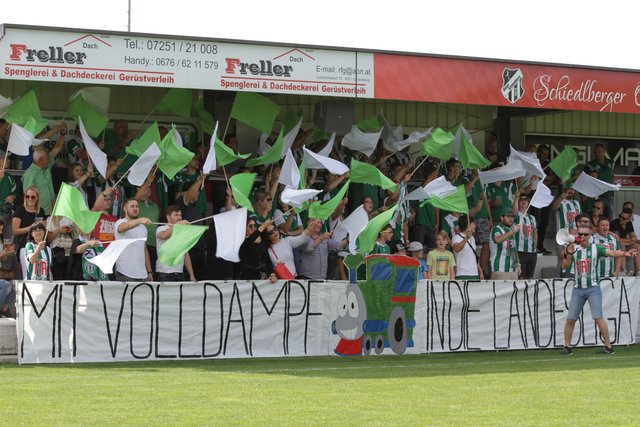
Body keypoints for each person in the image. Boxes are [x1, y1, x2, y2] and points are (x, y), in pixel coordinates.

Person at [560, 225, 637, 355]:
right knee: (571, 319)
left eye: (585, 234)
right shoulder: (574, 248)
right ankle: (567, 347)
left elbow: (612, 252)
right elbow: (564, 266)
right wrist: (569, 253)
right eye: (580, 234)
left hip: (593, 288)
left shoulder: (595, 248)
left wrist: (625, 253)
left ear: (590, 236)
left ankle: (608, 346)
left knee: (598, 318)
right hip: (578, 288)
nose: (582, 237)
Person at [21, 125, 66, 215]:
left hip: (51, 211)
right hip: (38, 214)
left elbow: (57, 147)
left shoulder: (46, 165)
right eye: (47, 158)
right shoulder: (30, 174)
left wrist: (63, 134)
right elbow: (27, 196)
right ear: (41, 160)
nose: (50, 159)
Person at [114, 198, 153, 282]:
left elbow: (144, 250)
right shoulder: (120, 222)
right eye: (132, 206)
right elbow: (125, 227)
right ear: (125, 209)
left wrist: (149, 271)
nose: (135, 208)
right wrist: (140, 220)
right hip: (125, 272)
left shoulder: (143, 227)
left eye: (137, 206)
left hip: (143, 274)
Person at [155, 205, 196, 282]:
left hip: (180, 272)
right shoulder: (161, 228)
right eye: (176, 215)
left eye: (180, 215)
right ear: (168, 217)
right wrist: (179, 225)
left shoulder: (182, 233)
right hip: (164, 273)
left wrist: (191, 274)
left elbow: (186, 254)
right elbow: (163, 236)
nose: (179, 217)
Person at [237, 218, 276, 282]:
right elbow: (251, 239)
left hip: (263, 277)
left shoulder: (261, 241)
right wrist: (264, 225)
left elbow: (267, 259)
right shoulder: (243, 242)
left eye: (255, 225)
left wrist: (272, 273)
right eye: (250, 226)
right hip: (248, 279)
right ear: (245, 228)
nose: (253, 227)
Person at [584, 144, 615, 219]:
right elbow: (583, 177)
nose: (597, 153)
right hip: (595, 195)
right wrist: (589, 175)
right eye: (595, 152)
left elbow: (612, 176)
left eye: (599, 151)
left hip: (608, 195)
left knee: (609, 217)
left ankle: (607, 230)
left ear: (604, 152)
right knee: (594, 217)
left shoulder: (611, 163)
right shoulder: (590, 164)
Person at [12, 186, 47, 251]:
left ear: (37, 198)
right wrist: (30, 228)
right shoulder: (20, 210)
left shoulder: (41, 211)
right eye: (27, 196)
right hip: (24, 245)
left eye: (33, 197)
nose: (30, 199)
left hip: (38, 244)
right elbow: (14, 231)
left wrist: (42, 226)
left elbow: (44, 230)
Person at [512, 193, 537, 279]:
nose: (523, 201)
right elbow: (514, 211)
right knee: (520, 277)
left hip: (532, 252)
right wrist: (516, 197)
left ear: (529, 202)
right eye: (521, 199)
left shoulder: (532, 218)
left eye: (525, 199)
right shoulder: (516, 215)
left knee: (529, 278)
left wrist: (535, 247)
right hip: (520, 251)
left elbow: (535, 233)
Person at [489, 210, 520, 280]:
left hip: (513, 270)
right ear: (501, 218)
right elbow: (497, 240)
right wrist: (512, 232)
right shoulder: (496, 229)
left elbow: (514, 250)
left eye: (512, 217)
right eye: (508, 216)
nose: (511, 219)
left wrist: (518, 264)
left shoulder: (511, 231)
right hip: (500, 269)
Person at [609, 207, 640, 276]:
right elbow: (617, 239)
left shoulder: (629, 224)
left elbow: (634, 237)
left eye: (623, 218)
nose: (620, 219)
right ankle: (624, 271)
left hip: (625, 244)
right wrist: (631, 240)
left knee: (637, 246)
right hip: (614, 245)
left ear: (628, 219)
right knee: (621, 244)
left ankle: (638, 271)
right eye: (620, 216)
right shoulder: (615, 223)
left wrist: (631, 240)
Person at [452, 214, 483, 280]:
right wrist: (466, 238)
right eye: (473, 224)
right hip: (463, 273)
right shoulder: (456, 237)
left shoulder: (472, 238)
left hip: (474, 273)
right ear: (468, 225)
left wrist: (480, 271)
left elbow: (474, 256)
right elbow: (457, 249)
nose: (475, 225)